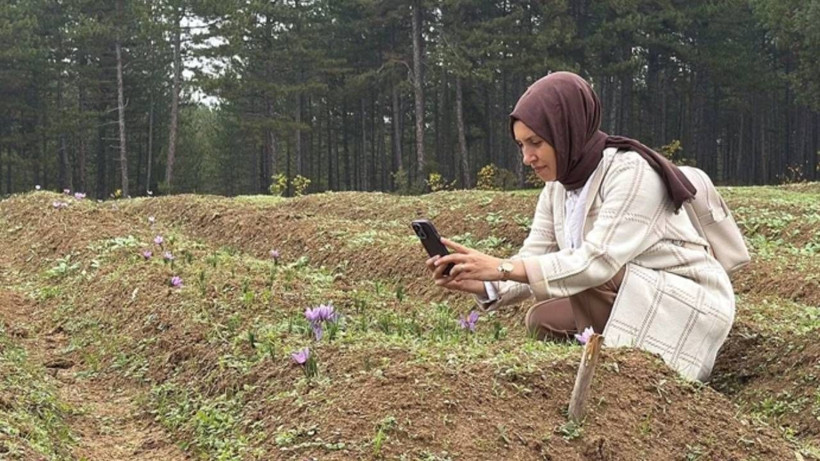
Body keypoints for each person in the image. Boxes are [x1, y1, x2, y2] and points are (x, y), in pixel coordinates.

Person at [426, 71, 735, 381]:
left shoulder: (631, 172)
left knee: (589, 279)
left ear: (567, 131)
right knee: (541, 320)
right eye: (521, 145)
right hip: (633, 291)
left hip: (688, 301)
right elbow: (534, 255)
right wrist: (480, 280)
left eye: (536, 143)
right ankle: (594, 371)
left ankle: (630, 379)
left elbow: (597, 262)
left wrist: (501, 267)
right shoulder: (558, 188)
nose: (527, 157)